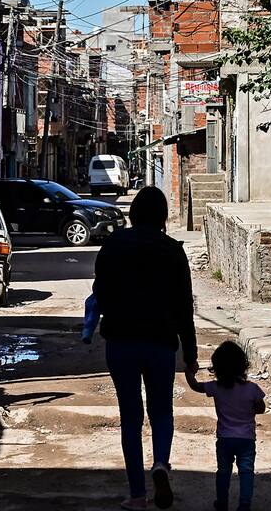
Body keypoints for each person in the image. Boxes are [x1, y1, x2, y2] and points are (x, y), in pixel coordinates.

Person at [92, 187, 198, 511]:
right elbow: (184, 309)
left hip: (121, 342)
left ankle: (137, 494)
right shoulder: (173, 251)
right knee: (162, 410)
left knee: (131, 417)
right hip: (160, 343)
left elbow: (100, 293)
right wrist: (191, 357)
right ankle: (161, 464)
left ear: (133, 214)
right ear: (164, 216)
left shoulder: (112, 247)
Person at [185, 341, 266, 511]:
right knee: (246, 471)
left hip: (224, 439)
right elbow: (261, 408)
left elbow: (195, 386)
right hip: (246, 439)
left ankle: (222, 502)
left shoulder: (216, 387)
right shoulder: (252, 389)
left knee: (223, 471)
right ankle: (244, 504)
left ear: (217, 368)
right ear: (243, 365)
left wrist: (189, 371)